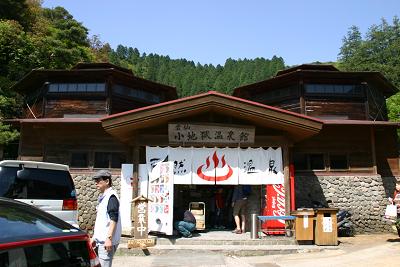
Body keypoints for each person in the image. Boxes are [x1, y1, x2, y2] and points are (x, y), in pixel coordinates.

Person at [91, 170, 121, 267]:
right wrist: (94, 237)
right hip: (101, 240)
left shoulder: (111, 197)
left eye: (98, 181)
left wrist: (109, 239)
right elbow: (102, 221)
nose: (96, 183)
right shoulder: (105, 196)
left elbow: (113, 219)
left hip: (106, 242)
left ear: (107, 181)